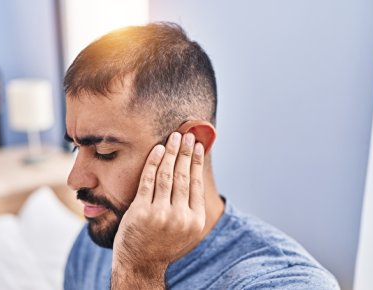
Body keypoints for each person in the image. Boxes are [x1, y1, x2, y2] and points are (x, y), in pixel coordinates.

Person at [63, 22, 340, 289]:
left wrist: (138, 271)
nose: (75, 179)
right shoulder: (96, 240)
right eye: (76, 147)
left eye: (104, 152)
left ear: (191, 141)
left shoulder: (291, 282)